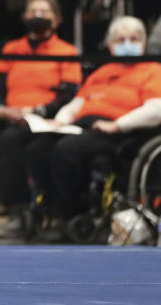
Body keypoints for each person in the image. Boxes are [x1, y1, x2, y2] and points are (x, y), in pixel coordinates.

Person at [24, 16, 161, 226]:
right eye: (121, 39)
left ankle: (71, 217)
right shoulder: (102, 72)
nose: (127, 44)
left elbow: (155, 110)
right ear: (111, 45)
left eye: (134, 39)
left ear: (143, 43)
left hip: (120, 132)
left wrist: (118, 124)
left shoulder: (152, 70)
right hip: (84, 126)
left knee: (66, 150)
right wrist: (59, 121)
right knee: (38, 148)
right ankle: (51, 210)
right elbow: (76, 104)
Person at [0, 0, 81, 238]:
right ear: (24, 16)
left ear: (57, 19)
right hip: (8, 112)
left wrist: (35, 110)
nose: (38, 15)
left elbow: (69, 95)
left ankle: (17, 213)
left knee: (10, 139)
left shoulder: (66, 51)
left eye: (44, 12)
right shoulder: (12, 48)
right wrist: (1, 109)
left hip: (40, 117)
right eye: (33, 11)